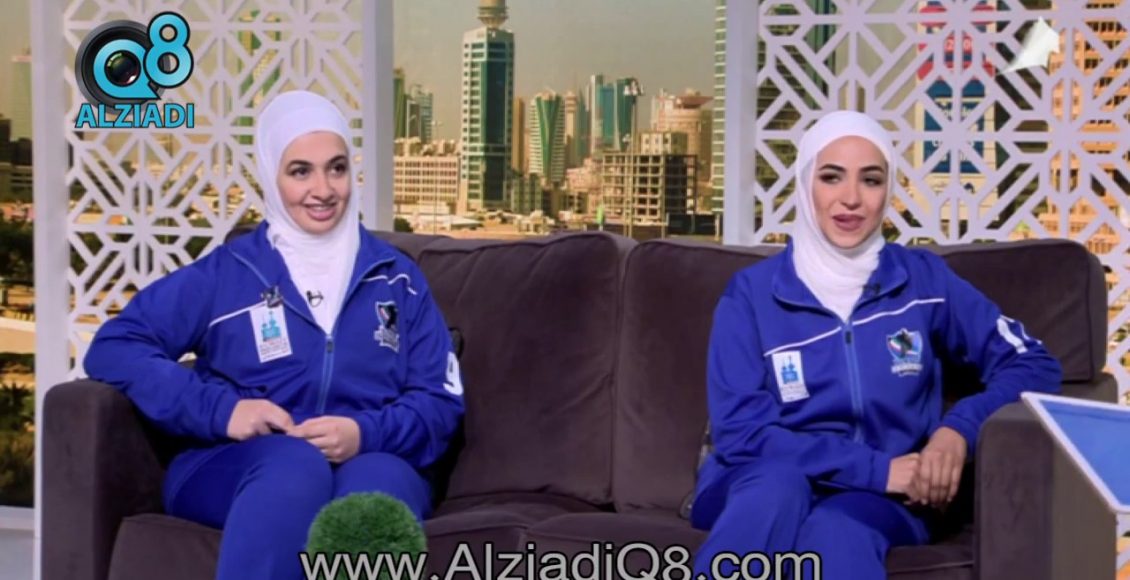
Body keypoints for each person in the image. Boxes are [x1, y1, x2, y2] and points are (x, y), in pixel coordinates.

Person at [83, 90, 465, 580]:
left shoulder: (398, 279)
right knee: (294, 467)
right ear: (270, 176)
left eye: (336, 168)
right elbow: (116, 347)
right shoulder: (227, 273)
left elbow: (439, 402)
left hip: (372, 455)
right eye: (300, 171)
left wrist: (364, 434)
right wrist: (223, 410)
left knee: (377, 491)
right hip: (233, 461)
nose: (323, 189)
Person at [689, 110, 1062, 579]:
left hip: (883, 498)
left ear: (888, 191)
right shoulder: (751, 295)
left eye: (870, 180)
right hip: (759, 480)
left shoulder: (923, 282)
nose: (851, 198)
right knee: (777, 489)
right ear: (805, 185)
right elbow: (743, 433)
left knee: (836, 531)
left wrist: (958, 431)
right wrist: (876, 469)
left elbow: (1034, 363)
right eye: (831, 177)